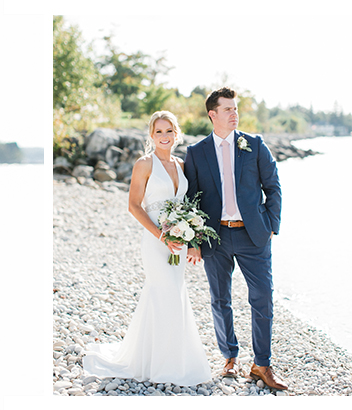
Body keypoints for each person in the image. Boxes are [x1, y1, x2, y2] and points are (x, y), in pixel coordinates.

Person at [80, 111, 212, 386]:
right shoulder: (144, 164)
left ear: (177, 133)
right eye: (158, 132)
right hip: (156, 240)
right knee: (162, 291)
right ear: (151, 136)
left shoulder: (181, 164)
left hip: (179, 239)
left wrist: (192, 239)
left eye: (169, 131)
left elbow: (188, 205)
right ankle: (158, 365)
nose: (164, 136)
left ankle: (175, 359)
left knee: (175, 294)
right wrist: (161, 235)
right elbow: (134, 206)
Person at [184, 87, 286, 390]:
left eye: (235, 108)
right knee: (220, 300)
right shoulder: (196, 151)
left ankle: (262, 364)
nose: (234, 114)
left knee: (263, 298)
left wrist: (270, 226)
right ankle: (229, 357)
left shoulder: (254, 145)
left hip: (253, 235)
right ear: (212, 114)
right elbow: (192, 198)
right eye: (227, 109)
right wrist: (194, 241)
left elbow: (274, 187)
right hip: (215, 238)